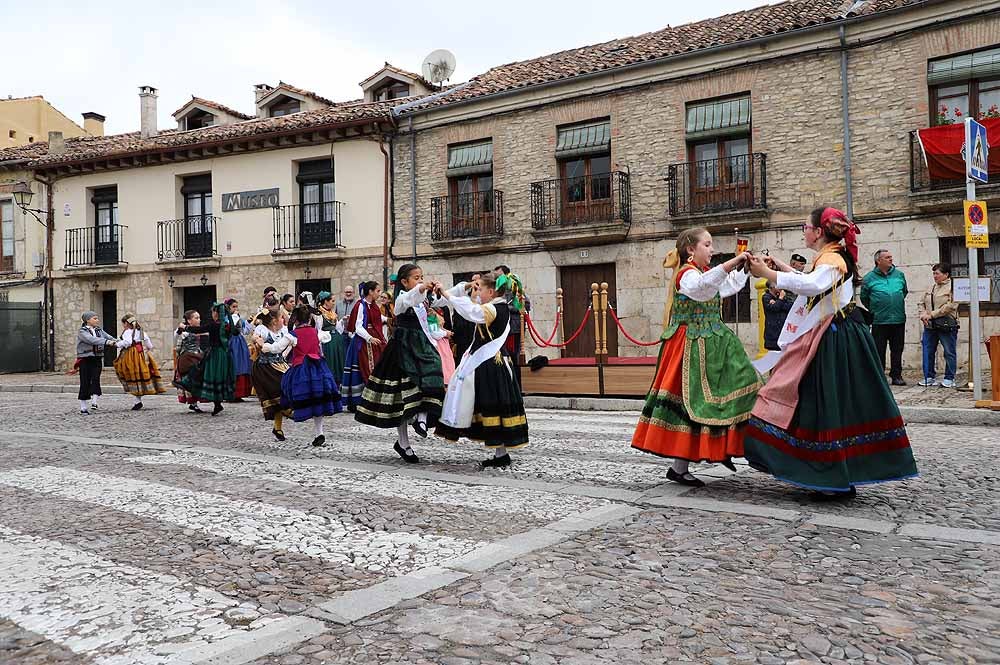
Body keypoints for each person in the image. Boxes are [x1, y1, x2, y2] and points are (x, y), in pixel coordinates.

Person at [745, 207, 917, 499]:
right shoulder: (831, 256)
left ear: (818, 231)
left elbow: (813, 285)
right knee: (828, 403)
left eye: (805, 226)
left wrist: (767, 272)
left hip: (835, 340)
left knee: (826, 403)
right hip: (835, 335)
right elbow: (816, 283)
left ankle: (830, 475)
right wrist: (782, 268)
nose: (804, 231)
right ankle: (836, 473)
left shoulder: (833, 258)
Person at [631, 228, 761, 486]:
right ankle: (680, 467)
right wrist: (731, 262)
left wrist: (744, 268)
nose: (712, 249)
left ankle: (720, 447)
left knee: (742, 387)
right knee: (690, 406)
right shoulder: (686, 275)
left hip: (714, 344)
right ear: (691, 249)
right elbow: (701, 289)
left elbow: (728, 285)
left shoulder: (704, 274)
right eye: (708, 244)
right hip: (689, 347)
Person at [436, 273, 529, 468]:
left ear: (491, 291)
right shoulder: (498, 306)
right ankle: (500, 453)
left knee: (493, 406)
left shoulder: (494, 308)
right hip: (493, 363)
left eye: (479, 288)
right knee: (495, 406)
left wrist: (447, 294)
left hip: (491, 365)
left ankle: (501, 452)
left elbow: (470, 312)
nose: (476, 291)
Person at [355, 264, 445, 464]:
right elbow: (411, 297)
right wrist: (422, 288)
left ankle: (421, 418)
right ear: (404, 282)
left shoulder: (424, 301)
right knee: (402, 397)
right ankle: (403, 443)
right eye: (416, 277)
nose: (420, 280)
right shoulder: (402, 299)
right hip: (402, 350)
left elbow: (444, 299)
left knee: (433, 375)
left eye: (421, 277)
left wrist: (464, 288)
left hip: (421, 346)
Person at [279, 305, 342, 446]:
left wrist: (265, 346)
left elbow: (277, 347)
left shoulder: (293, 335)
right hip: (317, 368)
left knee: (289, 391)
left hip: (301, 369)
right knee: (317, 399)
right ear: (309, 318)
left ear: (296, 320)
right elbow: (328, 337)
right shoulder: (316, 332)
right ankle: (319, 432)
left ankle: (289, 414)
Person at [177, 302, 236, 416]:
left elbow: (198, 330)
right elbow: (236, 331)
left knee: (210, 375)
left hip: (215, 355)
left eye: (213, 312)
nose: (212, 314)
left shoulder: (214, 325)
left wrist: (185, 327)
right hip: (225, 355)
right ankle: (217, 404)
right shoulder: (227, 325)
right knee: (217, 376)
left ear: (216, 313)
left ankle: (214, 403)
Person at [861, 249, 908, 386]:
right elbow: (864, 298)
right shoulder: (869, 278)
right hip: (879, 320)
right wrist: (875, 309)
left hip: (898, 319)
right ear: (878, 261)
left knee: (897, 349)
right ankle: (880, 375)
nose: (890, 259)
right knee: (879, 349)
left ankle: (896, 375)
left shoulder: (899, 275)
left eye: (891, 257)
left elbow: (904, 292)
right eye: (887, 257)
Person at [342, 281, 387, 410]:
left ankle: (372, 399)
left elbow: (379, 319)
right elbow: (358, 327)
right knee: (364, 369)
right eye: (377, 291)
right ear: (370, 291)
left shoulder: (373, 306)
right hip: (362, 342)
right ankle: (359, 401)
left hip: (374, 341)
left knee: (375, 368)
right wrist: (369, 338)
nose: (379, 294)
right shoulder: (360, 305)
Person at [250, 311, 293, 441]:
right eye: (281, 318)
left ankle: (277, 428)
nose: (283, 320)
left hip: (280, 365)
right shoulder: (262, 329)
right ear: (274, 321)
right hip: (265, 368)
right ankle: (288, 412)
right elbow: (255, 337)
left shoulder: (283, 331)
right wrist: (258, 341)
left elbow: (290, 341)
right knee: (277, 393)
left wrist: (285, 354)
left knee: (281, 394)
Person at [918, 262, 959, 388]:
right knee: (928, 350)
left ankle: (949, 377)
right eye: (934, 273)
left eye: (937, 273)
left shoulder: (953, 287)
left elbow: (950, 306)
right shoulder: (931, 287)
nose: (935, 276)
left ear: (946, 274)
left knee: (949, 351)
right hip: (930, 325)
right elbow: (921, 302)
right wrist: (923, 314)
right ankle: (929, 376)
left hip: (946, 324)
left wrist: (932, 315)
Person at [113, 313, 166, 410]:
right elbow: (149, 345)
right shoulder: (140, 331)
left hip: (130, 355)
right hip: (140, 354)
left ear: (126, 323)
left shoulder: (127, 332)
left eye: (123, 324)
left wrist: (117, 344)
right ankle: (138, 400)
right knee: (140, 375)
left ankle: (137, 400)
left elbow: (128, 342)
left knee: (129, 374)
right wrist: (146, 350)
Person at [77, 311, 117, 414]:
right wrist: (107, 342)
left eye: (97, 318)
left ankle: (94, 402)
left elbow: (109, 337)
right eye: (94, 318)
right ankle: (83, 407)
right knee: (85, 381)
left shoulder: (99, 330)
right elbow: (92, 340)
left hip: (97, 358)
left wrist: (118, 342)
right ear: (87, 320)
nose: (97, 320)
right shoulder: (82, 332)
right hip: (85, 359)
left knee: (95, 379)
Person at [494, 265, 525, 388]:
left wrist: (504, 307)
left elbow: (524, 305)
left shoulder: (514, 287)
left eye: (499, 274)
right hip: (502, 328)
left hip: (513, 328)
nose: (497, 277)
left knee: (513, 357)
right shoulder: (498, 289)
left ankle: (516, 385)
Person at [173, 309, 207, 412]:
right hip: (188, 358)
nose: (199, 320)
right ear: (189, 320)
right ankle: (193, 403)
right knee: (190, 378)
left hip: (197, 355)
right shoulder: (185, 332)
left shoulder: (198, 329)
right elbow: (177, 340)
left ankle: (195, 402)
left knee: (199, 378)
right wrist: (180, 331)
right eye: (196, 318)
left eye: (199, 318)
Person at [225, 299, 253, 401]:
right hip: (231, 343)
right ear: (228, 307)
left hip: (240, 343)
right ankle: (231, 393)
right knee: (234, 366)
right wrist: (236, 316)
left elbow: (245, 331)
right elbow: (231, 328)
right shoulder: (226, 318)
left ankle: (240, 393)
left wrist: (248, 322)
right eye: (233, 307)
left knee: (242, 365)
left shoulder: (238, 318)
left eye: (237, 306)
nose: (236, 309)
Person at [317, 291, 346, 386]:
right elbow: (318, 330)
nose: (334, 303)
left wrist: (342, 321)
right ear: (326, 301)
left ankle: (339, 382)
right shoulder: (319, 314)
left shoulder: (332, 313)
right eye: (332, 301)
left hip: (337, 340)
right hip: (328, 341)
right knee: (331, 361)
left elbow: (337, 327)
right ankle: (330, 382)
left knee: (339, 360)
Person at [428, 307, 456, 385]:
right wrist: (446, 333)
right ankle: (445, 381)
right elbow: (434, 333)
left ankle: (449, 379)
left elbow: (438, 329)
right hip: (439, 345)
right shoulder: (431, 316)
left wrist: (446, 332)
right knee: (443, 362)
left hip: (443, 344)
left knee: (447, 361)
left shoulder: (433, 316)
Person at [762, 283, 793, 351]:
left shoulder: (781, 297)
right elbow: (775, 308)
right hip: (772, 335)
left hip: (783, 333)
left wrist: (778, 302)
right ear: (772, 287)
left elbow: (790, 307)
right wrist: (780, 299)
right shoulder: (766, 297)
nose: (781, 288)